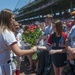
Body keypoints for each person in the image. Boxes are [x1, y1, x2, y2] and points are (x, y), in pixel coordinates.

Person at [0, 9, 37, 75]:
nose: (14, 20)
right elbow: (19, 53)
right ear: (8, 18)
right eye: (13, 18)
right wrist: (32, 50)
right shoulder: (7, 32)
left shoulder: (1, 31)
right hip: (5, 65)